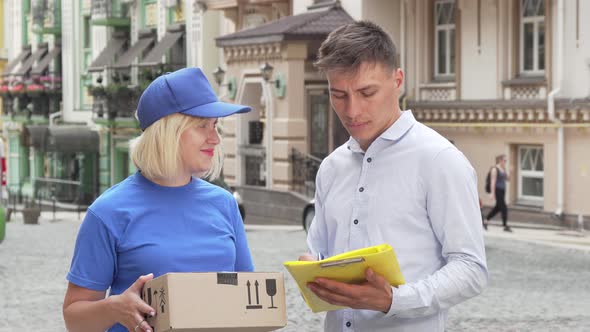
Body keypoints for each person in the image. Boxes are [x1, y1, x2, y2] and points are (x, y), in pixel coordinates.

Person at [299, 21, 488, 331]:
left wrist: (393, 300)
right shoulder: (331, 167)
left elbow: (471, 270)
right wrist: (314, 267)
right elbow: (319, 250)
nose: (352, 110)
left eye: (366, 92)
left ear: (398, 80)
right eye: (339, 95)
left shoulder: (439, 160)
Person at [63, 68, 254, 332]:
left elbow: (248, 298)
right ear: (167, 131)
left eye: (215, 126)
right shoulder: (108, 212)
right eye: (202, 126)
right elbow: (74, 319)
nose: (216, 139)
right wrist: (114, 308)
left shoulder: (224, 203)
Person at [485, 154, 511, 232]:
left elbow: (508, 179)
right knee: (504, 208)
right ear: (500, 160)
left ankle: (486, 220)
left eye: (506, 161)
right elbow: (493, 182)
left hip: (503, 190)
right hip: (497, 190)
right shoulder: (495, 169)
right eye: (504, 160)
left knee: (498, 208)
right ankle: (505, 225)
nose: (505, 162)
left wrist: (510, 171)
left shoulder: (503, 169)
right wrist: (492, 193)